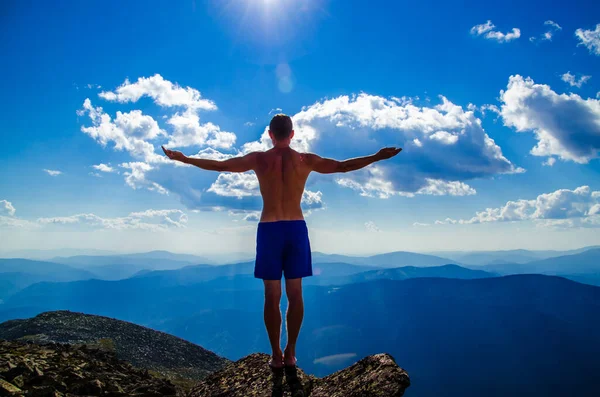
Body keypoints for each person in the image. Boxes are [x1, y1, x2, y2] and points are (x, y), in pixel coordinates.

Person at [162, 114, 401, 397]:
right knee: (296, 294)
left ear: (269, 134)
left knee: (271, 296)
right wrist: (377, 156)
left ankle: (276, 354)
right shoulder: (306, 160)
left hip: (269, 230)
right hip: (296, 229)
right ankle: (291, 353)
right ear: (293, 133)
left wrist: (185, 159)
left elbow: (221, 166)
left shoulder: (259, 159)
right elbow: (344, 167)